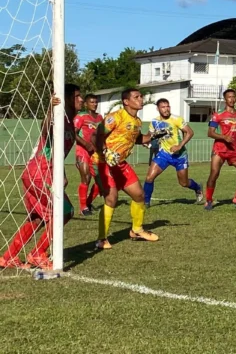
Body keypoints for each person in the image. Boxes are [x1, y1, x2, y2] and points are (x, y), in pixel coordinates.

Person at [1, 86, 81, 270]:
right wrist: (51, 111)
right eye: (77, 96)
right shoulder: (58, 118)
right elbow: (45, 129)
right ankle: (38, 253)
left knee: (37, 218)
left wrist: (62, 174)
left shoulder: (70, 123)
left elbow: (59, 152)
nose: (81, 100)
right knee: (64, 211)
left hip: (40, 171)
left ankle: (8, 257)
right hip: (40, 171)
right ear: (67, 98)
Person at [95, 88, 160, 249]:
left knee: (139, 195)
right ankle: (101, 238)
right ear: (126, 101)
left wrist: (153, 135)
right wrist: (104, 151)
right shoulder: (116, 117)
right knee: (111, 198)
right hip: (103, 162)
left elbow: (138, 139)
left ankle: (137, 230)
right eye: (136, 97)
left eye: (141, 96)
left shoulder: (137, 122)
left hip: (120, 164)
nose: (141, 99)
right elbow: (97, 134)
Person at [143, 98, 202, 206]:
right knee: (149, 177)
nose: (166, 109)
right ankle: (145, 202)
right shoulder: (155, 121)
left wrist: (180, 146)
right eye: (163, 107)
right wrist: (146, 142)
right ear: (158, 109)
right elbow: (149, 136)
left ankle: (197, 188)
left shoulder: (177, 119)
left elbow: (190, 132)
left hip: (179, 156)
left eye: (168, 106)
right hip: (164, 154)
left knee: (183, 183)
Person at [73, 94, 103, 216]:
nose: (94, 104)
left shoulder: (100, 117)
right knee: (86, 178)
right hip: (83, 151)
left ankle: (88, 203)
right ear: (86, 103)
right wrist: (86, 144)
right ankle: (83, 207)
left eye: (96, 102)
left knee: (100, 180)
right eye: (92, 102)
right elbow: (73, 133)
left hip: (96, 152)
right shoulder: (81, 117)